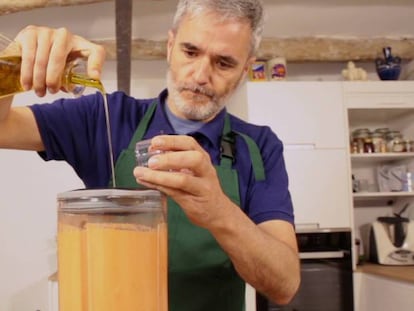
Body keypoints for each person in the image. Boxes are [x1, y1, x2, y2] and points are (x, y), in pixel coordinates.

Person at [0, 0, 300, 309]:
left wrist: (219, 211)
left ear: (244, 70)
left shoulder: (258, 146)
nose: (200, 75)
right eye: (190, 52)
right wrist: (9, 65)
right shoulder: (107, 117)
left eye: (223, 63)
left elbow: (284, 285)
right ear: (170, 46)